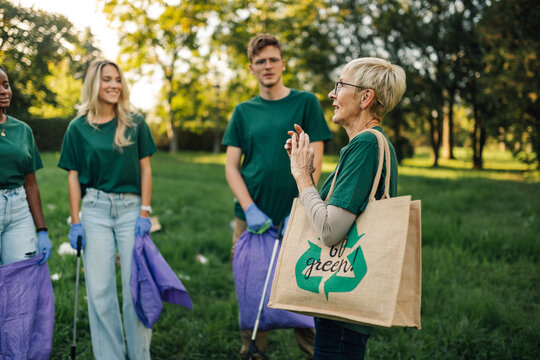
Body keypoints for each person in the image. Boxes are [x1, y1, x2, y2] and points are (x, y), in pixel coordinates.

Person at [285, 57, 406, 359]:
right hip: (345, 298)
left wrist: (302, 176)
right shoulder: (374, 144)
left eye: (340, 85)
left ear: (366, 98)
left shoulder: (365, 145)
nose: (331, 94)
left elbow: (329, 230)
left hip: (341, 307)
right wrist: (308, 167)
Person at [222, 34, 332, 359]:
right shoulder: (243, 112)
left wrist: (300, 208)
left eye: (273, 59)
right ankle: (253, 350)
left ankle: (316, 352)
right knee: (252, 291)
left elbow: (316, 162)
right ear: (251, 68)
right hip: (250, 220)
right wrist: (249, 208)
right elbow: (231, 167)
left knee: (303, 291)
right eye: (260, 61)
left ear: (283, 63)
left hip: (298, 218)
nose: (267, 66)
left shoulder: (306, 103)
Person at [58, 58, 157, 360]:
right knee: (100, 293)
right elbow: (73, 176)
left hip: (130, 210)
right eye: (107, 79)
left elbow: (146, 169)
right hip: (95, 210)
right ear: (93, 84)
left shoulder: (135, 122)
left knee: (134, 290)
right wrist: (76, 222)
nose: (114, 85)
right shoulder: (77, 128)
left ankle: (139, 355)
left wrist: (144, 212)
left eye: (117, 79)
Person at [0, 65, 52, 266]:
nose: (4, 91)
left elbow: (30, 184)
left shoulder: (23, 130)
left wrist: (42, 230)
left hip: (19, 210)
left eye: (6, 85)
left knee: (21, 281)